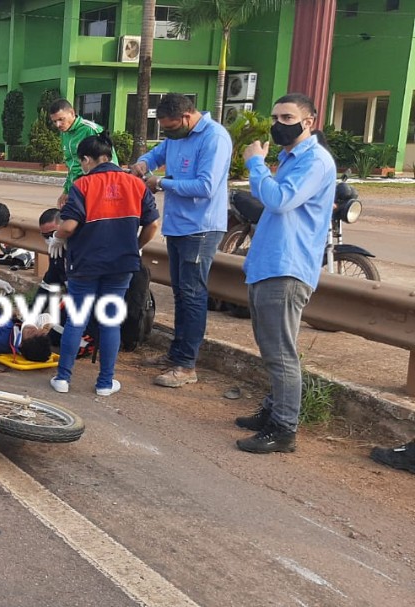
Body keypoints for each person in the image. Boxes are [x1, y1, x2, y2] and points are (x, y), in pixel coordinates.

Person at [233, 93, 335, 454]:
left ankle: (283, 428)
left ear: (308, 122)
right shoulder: (290, 159)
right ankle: (273, 410)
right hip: (269, 264)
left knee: (280, 353)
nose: (278, 124)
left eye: (287, 117)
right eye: (275, 117)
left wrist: (255, 164)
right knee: (271, 349)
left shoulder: (315, 161)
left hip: (288, 268)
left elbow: (278, 201)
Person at [130, 93, 232, 389]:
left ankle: (187, 365)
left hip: (200, 229)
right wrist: (142, 165)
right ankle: (176, 354)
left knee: (192, 295)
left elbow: (206, 186)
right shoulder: (176, 136)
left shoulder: (214, 138)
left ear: (187, 117)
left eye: (171, 127)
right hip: (177, 226)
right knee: (180, 294)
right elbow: (156, 155)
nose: (168, 133)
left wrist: (161, 182)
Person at [49, 133, 159, 396]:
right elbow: (153, 224)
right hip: (121, 265)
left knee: (77, 319)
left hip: (85, 264)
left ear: (87, 159)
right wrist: (136, 246)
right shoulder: (136, 184)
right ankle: (105, 383)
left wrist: (57, 237)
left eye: (82, 162)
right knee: (110, 321)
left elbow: (69, 226)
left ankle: (63, 379)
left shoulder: (83, 185)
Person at [49, 99, 117, 209]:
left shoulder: (90, 130)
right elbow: (72, 165)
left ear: (72, 113)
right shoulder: (64, 134)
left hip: (96, 188)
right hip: (78, 188)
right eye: (54, 121)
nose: (58, 124)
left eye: (61, 119)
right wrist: (67, 190)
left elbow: (108, 161)